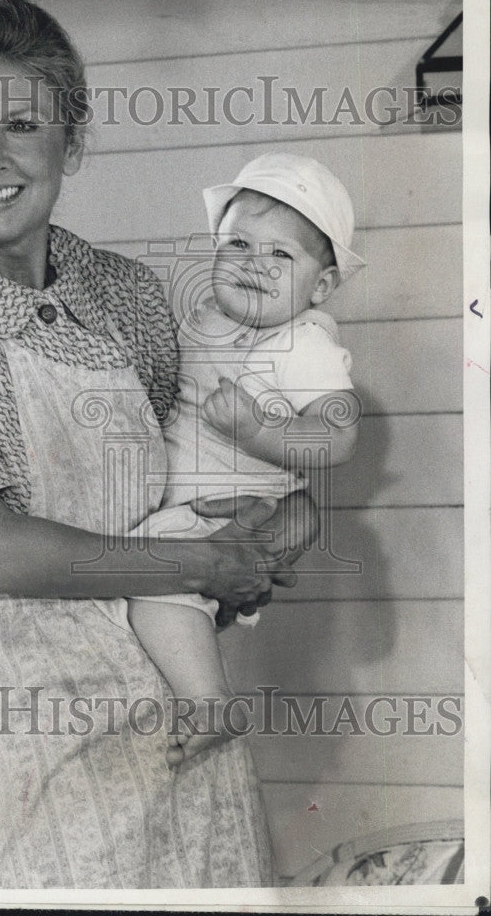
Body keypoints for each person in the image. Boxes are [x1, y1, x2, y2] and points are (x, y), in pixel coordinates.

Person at [0, 0, 311, 889]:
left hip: (185, 728)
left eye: (22, 126)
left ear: (73, 141)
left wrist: (269, 518)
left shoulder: (129, 296)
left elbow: (196, 478)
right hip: (34, 752)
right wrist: (207, 566)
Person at [127, 152, 366, 770]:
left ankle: (210, 702)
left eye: (280, 255)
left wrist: (261, 431)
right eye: (238, 244)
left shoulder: (300, 342)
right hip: (189, 506)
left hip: (214, 518)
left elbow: (338, 438)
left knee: (158, 594)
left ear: (321, 285)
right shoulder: (205, 319)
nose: (254, 265)